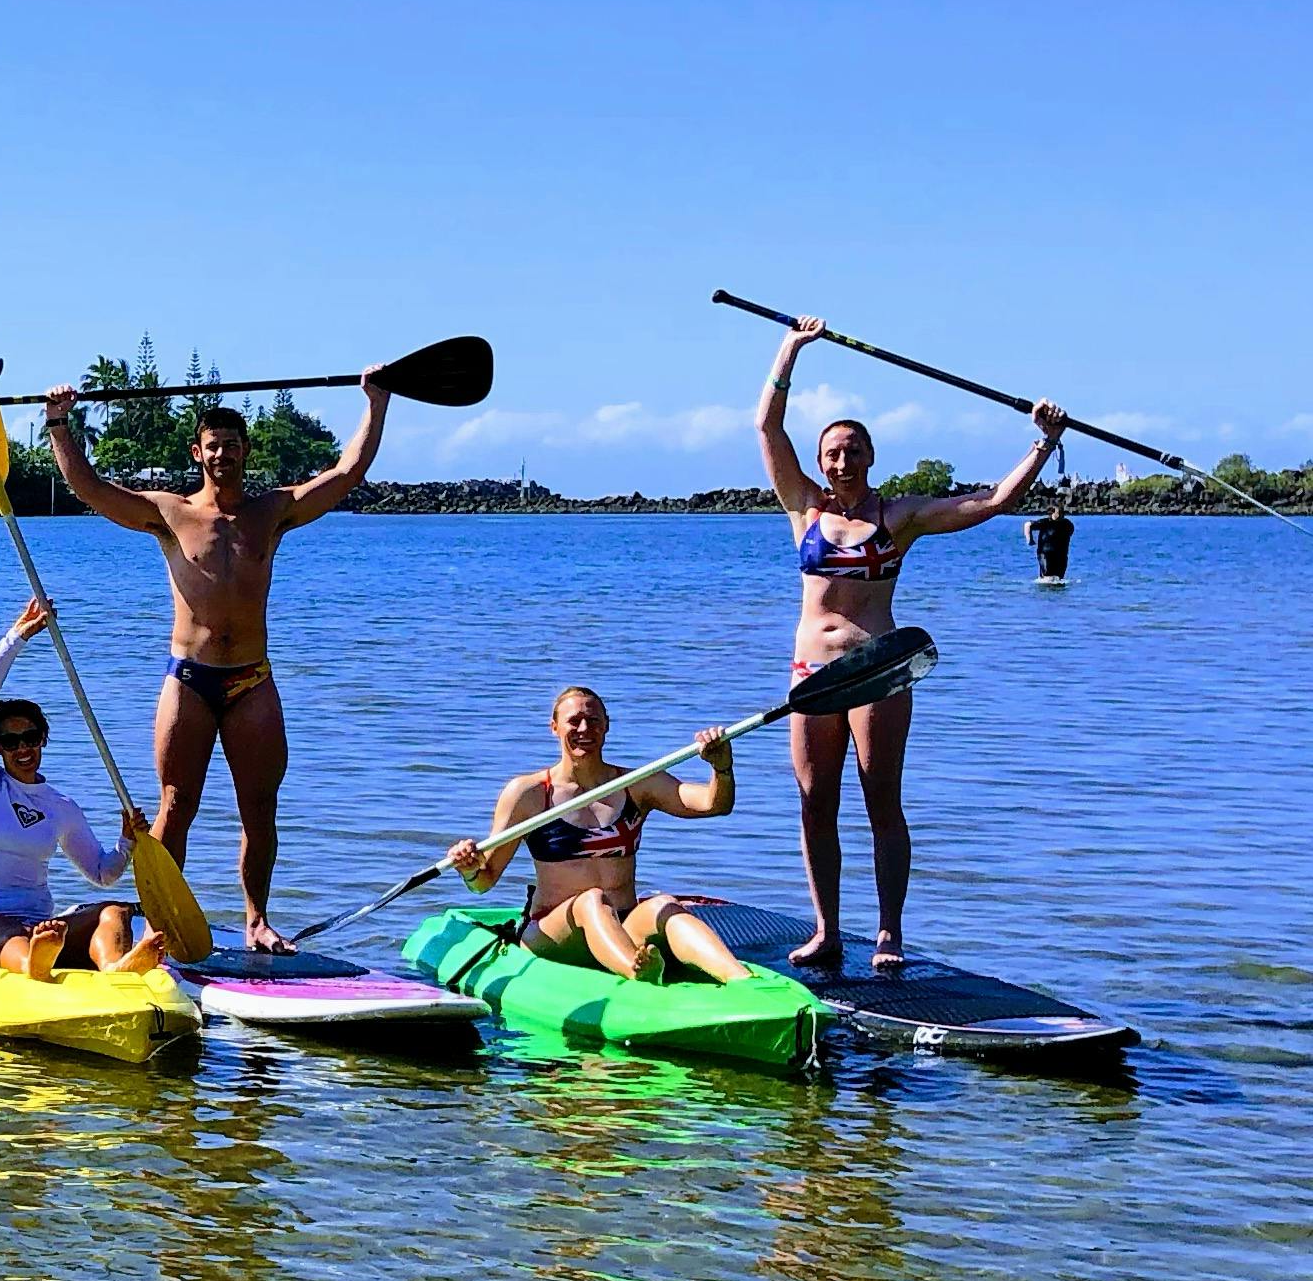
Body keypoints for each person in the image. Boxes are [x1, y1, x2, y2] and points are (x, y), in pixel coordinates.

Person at [759, 314, 1066, 969]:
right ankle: (826, 930)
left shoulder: (899, 517)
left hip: (879, 671)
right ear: (820, 462)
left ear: (871, 458)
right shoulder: (803, 506)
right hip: (811, 674)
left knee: (881, 802)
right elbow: (767, 427)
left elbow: (991, 502)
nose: (842, 461)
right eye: (832, 453)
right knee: (814, 804)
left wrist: (1043, 444)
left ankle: (888, 933)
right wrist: (790, 348)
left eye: (853, 451)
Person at [40, 385, 391, 952]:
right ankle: (159, 925)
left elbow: (347, 473)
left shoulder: (271, 512)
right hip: (190, 680)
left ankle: (257, 921)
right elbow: (92, 489)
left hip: (252, 680)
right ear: (197, 453)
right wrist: (59, 422)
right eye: (213, 445)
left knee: (260, 809)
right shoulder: (170, 512)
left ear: (245, 451)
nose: (222, 453)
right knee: (175, 806)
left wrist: (376, 402)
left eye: (232, 444)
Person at [442, 687, 751, 985]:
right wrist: (469, 869)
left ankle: (743, 979)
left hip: (623, 923)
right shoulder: (528, 794)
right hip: (554, 934)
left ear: (606, 726)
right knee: (592, 900)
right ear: (554, 728)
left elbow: (714, 804)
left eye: (593, 721)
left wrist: (722, 767)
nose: (584, 729)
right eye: (574, 721)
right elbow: (484, 881)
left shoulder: (637, 784)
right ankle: (637, 972)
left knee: (664, 905)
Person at [0, 599, 163, 979]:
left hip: (40, 925)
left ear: (43, 739)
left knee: (114, 911)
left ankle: (116, 966)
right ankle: (33, 964)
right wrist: (16, 638)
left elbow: (101, 872)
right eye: (10, 742)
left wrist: (127, 841)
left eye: (30, 738)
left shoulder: (61, 807)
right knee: (4, 933)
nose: (22, 748)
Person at [1026, 493, 1075, 582]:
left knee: (1059, 579)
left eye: (1063, 512)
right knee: (1048, 578)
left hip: (1061, 555)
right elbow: (1027, 525)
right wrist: (1030, 539)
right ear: (1052, 512)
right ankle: (1045, 590)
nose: (1062, 515)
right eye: (1059, 513)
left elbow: (1070, 533)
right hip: (1045, 554)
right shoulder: (1045, 523)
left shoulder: (1067, 524)